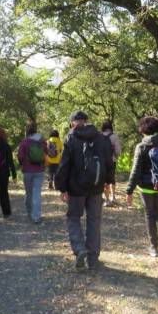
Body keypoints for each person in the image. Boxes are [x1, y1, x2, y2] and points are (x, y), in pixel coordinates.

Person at [55, 110, 114, 271]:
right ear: (86, 121)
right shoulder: (101, 137)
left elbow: (64, 165)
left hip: (76, 188)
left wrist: (62, 187)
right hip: (96, 186)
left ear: (73, 122)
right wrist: (108, 181)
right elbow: (108, 161)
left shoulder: (71, 138)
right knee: (94, 220)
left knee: (74, 217)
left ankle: (80, 249)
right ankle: (93, 258)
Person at [126, 116, 158, 260]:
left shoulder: (142, 146)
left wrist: (129, 191)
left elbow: (136, 170)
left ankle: (154, 248)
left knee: (150, 214)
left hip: (146, 187)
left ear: (144, 129)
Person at [17, 121, 47, 223]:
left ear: (27, 131)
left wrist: (22, 164)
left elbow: (20, 156)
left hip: (27, 171)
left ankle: (29, 212)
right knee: (37, 193)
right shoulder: (42, 141)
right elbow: (46, 153)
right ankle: (36, 216)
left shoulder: (24, 142)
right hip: (39, 170)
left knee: (28, 192)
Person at [101, 120, 121, 207]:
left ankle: (107, 200)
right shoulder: (114, 136)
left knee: (104, 181)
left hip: (101, 162)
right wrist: (115, 157)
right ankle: (113, 197)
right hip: (111, 161)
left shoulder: (99, 136)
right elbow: (118, 151)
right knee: (112, 179)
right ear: (111, 127)